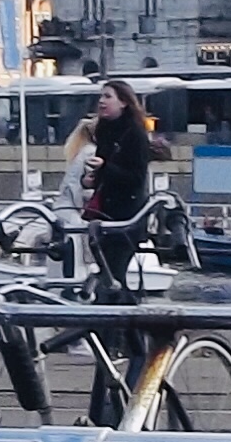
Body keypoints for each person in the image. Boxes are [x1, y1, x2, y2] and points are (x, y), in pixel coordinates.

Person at [62, 76, 159, 292]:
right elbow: (104, 172)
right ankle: (111, 303)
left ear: (123, 102)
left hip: (126, 216)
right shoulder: (104, 130)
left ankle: (115, 305)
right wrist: (90, 180)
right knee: (106, 270)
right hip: (104, 214)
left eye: (107, 96)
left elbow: (136, 178)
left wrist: (104, 168)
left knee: (115, 271)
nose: (101, 101)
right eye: (100, 97)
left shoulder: (135, 133)